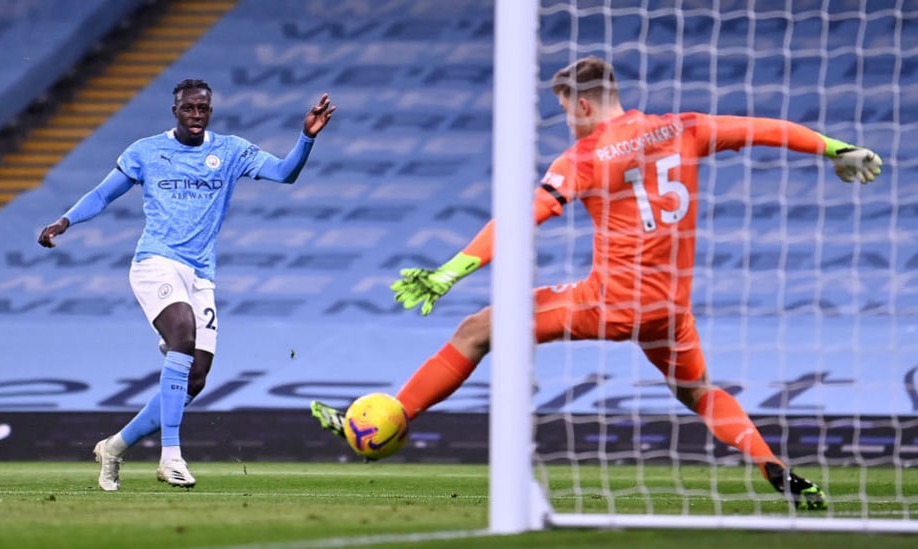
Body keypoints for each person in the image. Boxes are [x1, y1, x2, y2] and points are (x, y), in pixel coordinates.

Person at [311, 56, 883, 510]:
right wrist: (835, 147)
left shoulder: (584, 156)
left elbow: (522, 217)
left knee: (477, 330)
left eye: (565, 110)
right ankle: (769, 465)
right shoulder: (682, 128)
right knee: (699, 392)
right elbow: (762, 129)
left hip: (609, 304)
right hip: (669, 309)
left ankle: (392, 420)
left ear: (582, 103)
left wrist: (451, 270)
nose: (567, 120)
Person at [38, 79, 335, 490]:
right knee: (182, 334)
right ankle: (171, 456)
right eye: (189, 109)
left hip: (200, 275)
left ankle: (114, 448)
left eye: (203, 109)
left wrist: (306, 137)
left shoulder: (230, 151)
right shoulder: (145, 151)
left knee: (195, 378)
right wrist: (65, 220)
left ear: (210, 111)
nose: (196, 116)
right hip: (155, 263)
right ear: (175, 111)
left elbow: (285, 174)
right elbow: (103, 194)